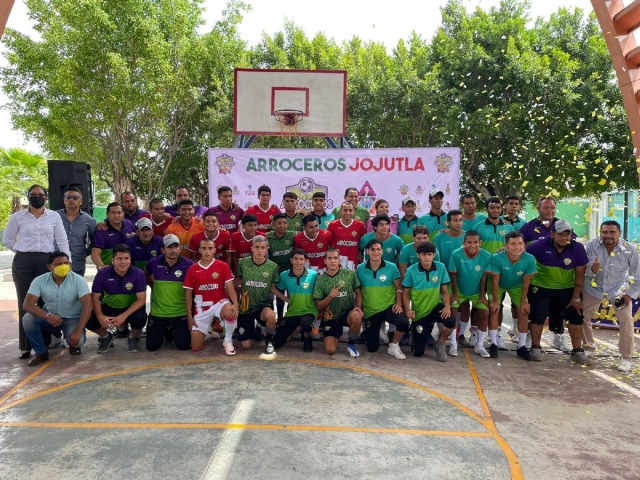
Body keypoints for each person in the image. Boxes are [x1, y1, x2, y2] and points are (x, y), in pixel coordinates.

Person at [3, 184, 71, 359]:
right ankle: (25, 346)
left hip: (46, 262)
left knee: (44, 302)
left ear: (46, 198)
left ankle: (44, 344)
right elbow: (7, 240)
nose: (37, 197)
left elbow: (62, 240)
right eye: (33, 194)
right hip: (23, 262)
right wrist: (22, 250)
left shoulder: (54, 216)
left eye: (40, 194)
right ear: (28, 196)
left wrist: (66, 261)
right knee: (25, 302)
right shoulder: (18, 217)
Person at [526, 220, 590, 365]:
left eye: (567, 234)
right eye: (560, 234)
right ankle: (535, 347)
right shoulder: (539, 245)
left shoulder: (578, 248)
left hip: (567, 288)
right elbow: (522, 255)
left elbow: (580, 274)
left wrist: (575, 298)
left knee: (576, 317)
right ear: (552, 234)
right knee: (537, 316)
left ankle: (577, 352)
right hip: (540, 287)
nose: (564, 238)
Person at [519, 196, 576, 352]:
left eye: (552, 208)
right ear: (538, 209)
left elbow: (573, 244)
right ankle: (531, 338)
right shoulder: (528, 227)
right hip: (538, 280)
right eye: (546, 208)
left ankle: (558, 339)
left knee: (559, 312)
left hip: (561, 280)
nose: (550, 211)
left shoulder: (563, 226)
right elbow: (519, 245)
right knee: (537, 312)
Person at [582, 220, 640, 372]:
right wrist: (592, 269)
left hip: (618, 289)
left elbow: (639, 277)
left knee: (627, 320)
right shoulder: (592, 245)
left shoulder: (630, 250)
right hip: (593, 288)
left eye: (612, 232)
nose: (608, 235)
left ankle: (626, 357)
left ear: (619, 233)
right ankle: (588, 348)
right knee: (582, 315)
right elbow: (585, 271)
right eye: (604, 232)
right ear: (600, 233)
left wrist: (629, 295)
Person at [22, 252, 92, 366]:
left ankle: (69, 339)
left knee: (77, 342)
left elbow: (88, 305)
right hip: (49, 317)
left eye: (66, 263)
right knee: (28, 319)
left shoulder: (78, 280)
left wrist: (78, 331)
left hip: (72, 318)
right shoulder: (39, 280)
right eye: (59, 264)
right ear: (49, 267)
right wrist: (48, 316)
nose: (63, 266)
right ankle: (41, 352)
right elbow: (27, 304)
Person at [87, 244, 147, 353]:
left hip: (129, 309)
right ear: (112, 260)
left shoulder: (139, 273)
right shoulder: (102, 274)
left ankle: (132, 336)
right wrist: (101, 317)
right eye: (119, 258)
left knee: (141, 317)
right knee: (88, 317)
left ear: (130, 260)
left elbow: (141, 300)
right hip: (110, 307)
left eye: (126, 258)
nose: (123, 262)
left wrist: (123, 316)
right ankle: (105, 336)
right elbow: (94, 298)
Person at [183, 237, 239, 355]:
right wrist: (189, 317)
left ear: (214, 250)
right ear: (199, 250)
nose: (207, 251)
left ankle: (228, 341)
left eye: (210, 248)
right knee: (195, 348)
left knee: (231, 312)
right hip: (201, 309)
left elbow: (230, 287)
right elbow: (188, 295)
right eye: (204, 248)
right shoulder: (192, 269)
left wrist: (235, 304)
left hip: (219, 303)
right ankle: (207, 332)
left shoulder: (223, 266)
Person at [356, 239, 409, 359]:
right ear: (367, 251)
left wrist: (399, 304)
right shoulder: (360, 268)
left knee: (403, 323)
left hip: (388, 307)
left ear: (382, 251)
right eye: (373, 249)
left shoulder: (392, 267)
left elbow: (398, 288)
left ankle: (394, 345)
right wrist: (359, 307)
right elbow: (358, 291)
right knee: (372, 348)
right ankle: (378, 329)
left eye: (378, 249)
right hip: (371, 311)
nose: (376, 252)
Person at [488, 231, 537, 361]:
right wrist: (494, 301)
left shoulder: (529, 259)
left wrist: (523, 301)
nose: (517, 247)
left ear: (524, 245)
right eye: (513, 244)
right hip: (498, 285)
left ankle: (521, 346)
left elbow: (526, 281)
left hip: (517, 286)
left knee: (523, 311)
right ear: (506, 245)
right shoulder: (497, 258)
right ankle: (493, 343)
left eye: (520, 243)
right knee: (494, 310)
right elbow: (495, 281)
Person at [402, 241, 453, 361]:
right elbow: (405, 293)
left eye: (429, 254)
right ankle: (416, 333)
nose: (427, 258)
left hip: (435, 308)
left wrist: (447, 307)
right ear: (418, 255)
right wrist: (408, 310)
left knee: (451, 321)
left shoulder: (440, 267)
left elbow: (445, 291)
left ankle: (440, 343)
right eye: (424, 254)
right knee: (417, 353)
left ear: (434, 255)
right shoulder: (411, 270)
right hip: (419, 314)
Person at [145, 234, 194, 352]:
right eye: (169, 247)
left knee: (183, 346)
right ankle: (166, 329)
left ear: (180, 248)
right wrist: (153, 285)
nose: (173, 250)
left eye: (176, 247)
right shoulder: (153, 263)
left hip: (180, 313)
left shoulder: (189, 265)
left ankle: (171, 329)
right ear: (162, 250)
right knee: (151, 347)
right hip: (158, 313)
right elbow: (146, 273)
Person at [313, 249, 363, 357]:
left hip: (347, 314)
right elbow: (319, 306)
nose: (333, 261)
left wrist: (358, 306)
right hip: (331, 318)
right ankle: (336, 334)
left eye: (335, 258)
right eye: (329, 258)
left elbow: (358, 292)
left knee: (357, 316)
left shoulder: (349, 274)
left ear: (339, 260)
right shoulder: (320, 280)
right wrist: (330, 296)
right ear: (325, 261)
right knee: (330, 350)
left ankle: (351, 343)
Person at [449, 230, 492, 357]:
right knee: (454, 312)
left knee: (484, 313)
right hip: (459, 290)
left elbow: (484, 276)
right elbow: (453, 274)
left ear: (480, 243)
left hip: (476, 292)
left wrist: (482, 295)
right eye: (469, 242)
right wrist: (455, 294)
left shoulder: (486, 255)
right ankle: (453, 344)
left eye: (475, 242)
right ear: (464, 243)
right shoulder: (456, 254)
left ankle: (479, 345)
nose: (472, 245)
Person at [236, 236, 280, 355]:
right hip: (245, 307)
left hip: (262, 305)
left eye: (262, 247)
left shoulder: (272, 266)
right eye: (257, 247)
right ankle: (256, 331)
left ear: (267, 249)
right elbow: (238, 281)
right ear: (252, 248)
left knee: (271, 315)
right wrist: (234, 302)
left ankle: (269, 341)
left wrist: (288, 300)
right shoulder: (243, 263)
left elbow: (273, 288)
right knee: (246, 347)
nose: (260, 250)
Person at [271, 249, 319, 352]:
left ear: (306, 261)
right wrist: (287, 300)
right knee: (276, 343)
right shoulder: (284, 275)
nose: (298, 261)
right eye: (296, 259)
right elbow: (274, 288)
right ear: (291, 260)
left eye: (301, 259)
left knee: (306, 325)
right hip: (292, 312)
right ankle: (298, 328)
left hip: (309, 311)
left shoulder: (314, 275)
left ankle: (306, 336)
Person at [56, 186, 96, 277]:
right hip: (56, 262)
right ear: (64, 200)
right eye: (68, 197)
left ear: (81, 201)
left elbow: (94, 242)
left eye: (75, 198)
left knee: (75, 290)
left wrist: (84, 253)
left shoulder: (89, 220)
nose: (71, 200)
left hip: (77, 263)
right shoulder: (54, 216)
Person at [267, 213, 297, 321]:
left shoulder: (292, 235)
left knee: (291, 297)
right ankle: (278, 318)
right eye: (279, 223)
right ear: (273, 224)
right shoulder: (268, 237)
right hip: (275, 274)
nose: (282, 225)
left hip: (290, 272)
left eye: (284, 223)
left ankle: (290, 319)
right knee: (277, 298)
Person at [90, 202, 136, 269]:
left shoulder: (129, 224)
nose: (116, 215)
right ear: (107, 214)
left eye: (119, 212)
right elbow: (95, 254)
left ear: (123, 214)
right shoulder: (102, 230)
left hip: (127, 269)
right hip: (108, 269)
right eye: (113, 213)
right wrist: (102, 267)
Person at [328, 202, 367, 271]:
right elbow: (328, 242)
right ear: (340, 212)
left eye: (350, 210)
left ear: (353, 212)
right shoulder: (333, 225)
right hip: (337, 262)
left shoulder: (360, 225)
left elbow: (363, 242)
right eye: (345, 210)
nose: (348, 213)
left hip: (353, 263)